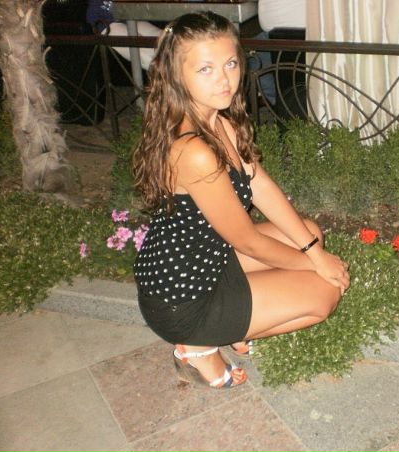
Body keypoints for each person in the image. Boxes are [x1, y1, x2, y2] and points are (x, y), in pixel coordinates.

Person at [131, 12, 349, 389]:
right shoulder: (193, 152)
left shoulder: (218, 122)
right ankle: (197, 346)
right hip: (183, 298)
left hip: (207, 260)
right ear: (176, 74)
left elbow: (260, 186)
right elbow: (248, 240)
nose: (224, 79)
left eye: (230, 64)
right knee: (325, 292)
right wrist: (315, 265)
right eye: (206, 69)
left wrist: (313, 250)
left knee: (310, 232)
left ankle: (236, 324)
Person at [86, 0, 161, 70]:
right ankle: (162, 76)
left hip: (132, 15)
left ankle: (164, 72)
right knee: (148, 56)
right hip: (105, 21)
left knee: (164, 41)